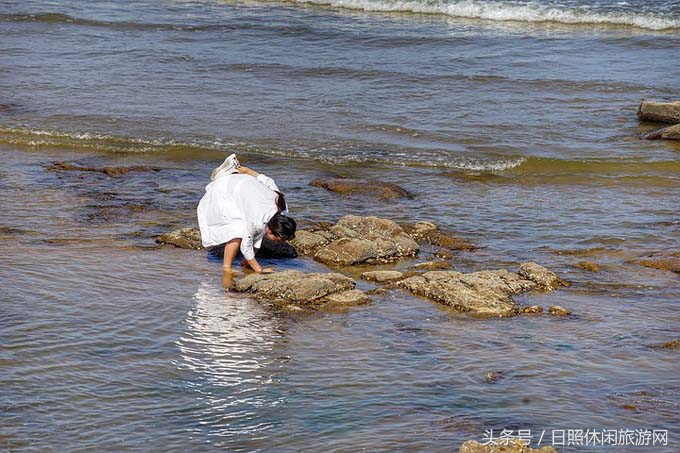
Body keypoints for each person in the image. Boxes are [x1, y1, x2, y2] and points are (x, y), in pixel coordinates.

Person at [197, 154, 296, 274]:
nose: (280, 242)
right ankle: (226, 267)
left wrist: (248, 171)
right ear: (270, 230)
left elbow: (269, 182)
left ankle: (245, 263)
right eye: (279, 239)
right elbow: (246, 247)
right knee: (237, 231)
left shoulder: (282, 206)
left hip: (245, 185)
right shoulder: (255, 219)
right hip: (226, 191)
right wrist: (260, 270)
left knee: (257, 233)